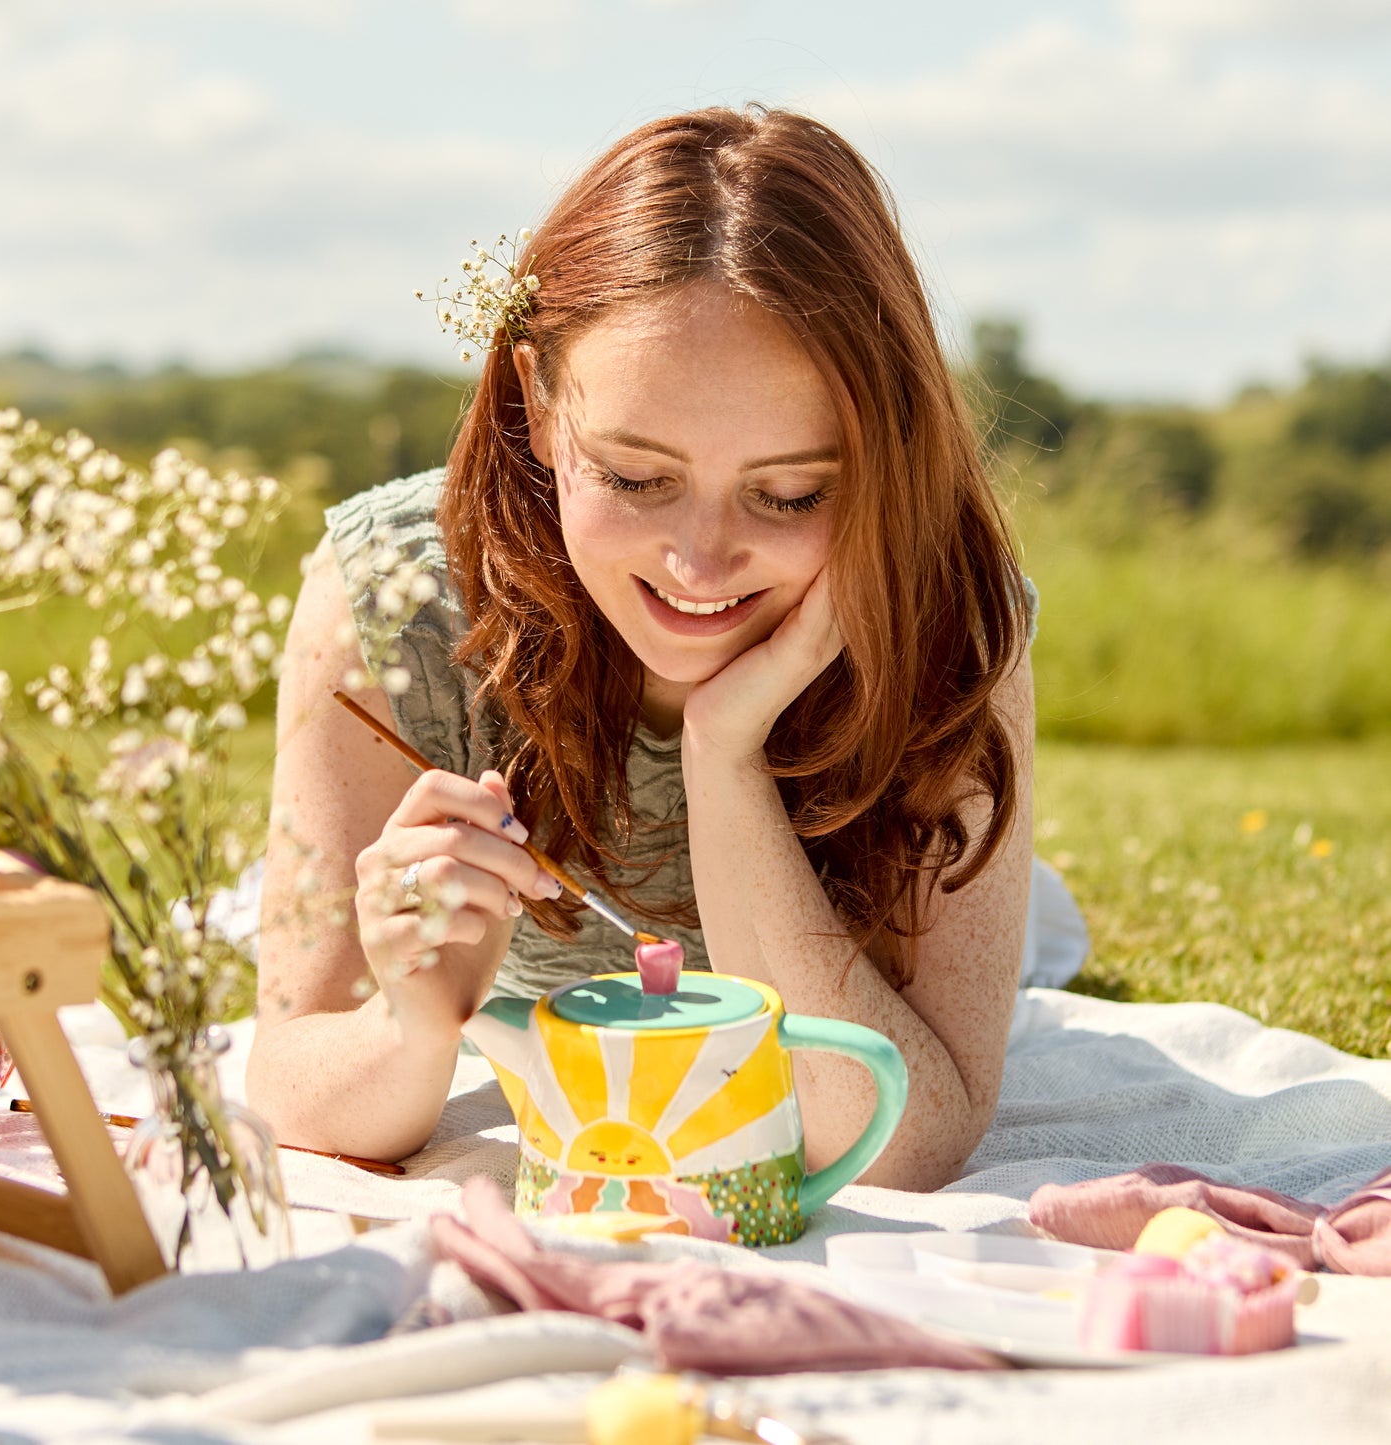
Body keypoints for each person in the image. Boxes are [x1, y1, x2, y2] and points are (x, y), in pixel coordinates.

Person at [247, 105, 1038, 1192]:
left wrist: (725, 754)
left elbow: (901, 1142)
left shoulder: (946, 614)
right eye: (635, 477)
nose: (701, 563)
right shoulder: (390, 600)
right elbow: (293, 1083)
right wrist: (415, 1022)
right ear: (533, 401)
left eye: (789, 491)